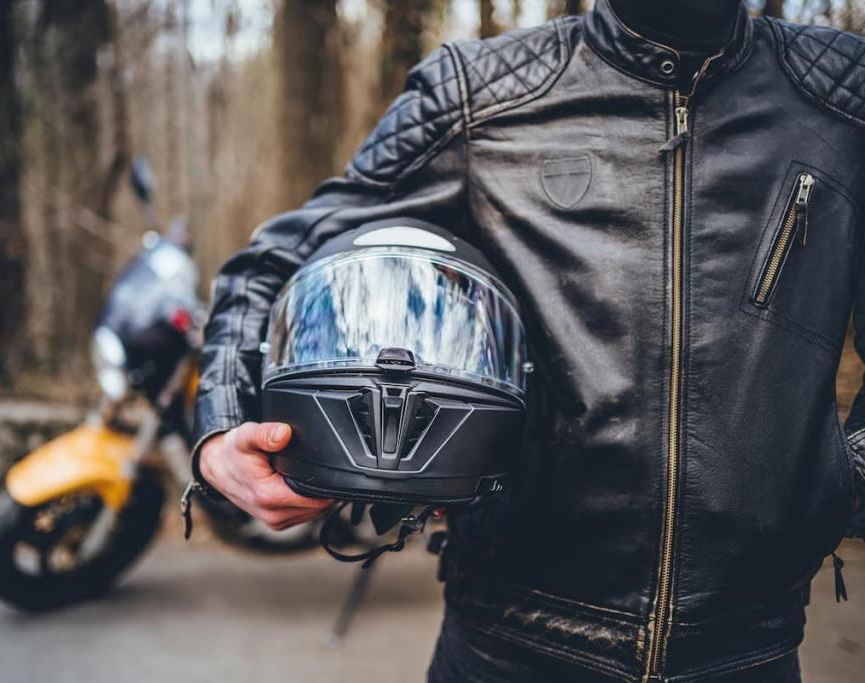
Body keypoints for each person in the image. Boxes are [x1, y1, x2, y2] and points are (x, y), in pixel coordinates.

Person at [191, 0, 865, 680]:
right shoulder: (482, 93)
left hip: (751, 645)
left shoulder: (842, 94)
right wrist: (221, 428)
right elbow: (280, 258)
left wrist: (844, 481)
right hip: (511, 640)